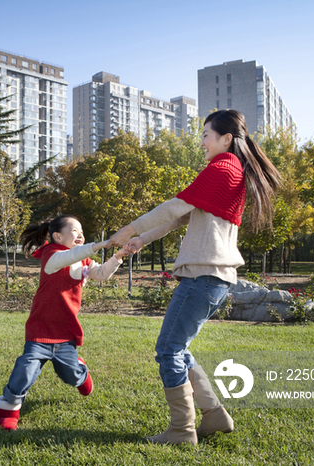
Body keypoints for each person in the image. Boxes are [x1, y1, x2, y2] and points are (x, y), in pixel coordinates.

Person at [109, 109, 281, 445]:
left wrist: (130, 227)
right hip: (214, 277)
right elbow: (181, 216)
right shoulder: (231, 170)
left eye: (206, 135)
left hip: (203, 276)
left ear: (226, 138)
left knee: (168, 350)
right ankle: (214, 416)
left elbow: (173, 207)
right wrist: (141, 239)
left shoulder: (222, 168)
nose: (201, 141)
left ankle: (181, 430)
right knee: (179, 348)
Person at [0, 215, 129, 431]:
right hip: (41, 328)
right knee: (26, 368)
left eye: (82, 230)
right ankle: (9, 406)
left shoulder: (83, 260)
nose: (80, 234)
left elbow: (102, 273)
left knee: (70, 375)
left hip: (66, 330)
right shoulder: (51, 255)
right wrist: (98, 245)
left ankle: (81, 371)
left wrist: (118, 256)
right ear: (57, 236)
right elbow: (68, 257)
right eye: (74, 230)